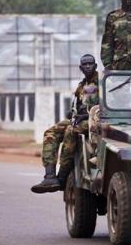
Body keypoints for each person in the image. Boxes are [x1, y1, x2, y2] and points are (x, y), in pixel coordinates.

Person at [31, 54, 98, 194]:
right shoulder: (82, 85)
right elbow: (78, 105)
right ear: (80, 67)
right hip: (78, 119)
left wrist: (87, 114)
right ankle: (50, 176)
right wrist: (73, 112)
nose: (87, 66)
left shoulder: (103, 82)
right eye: (84, 64)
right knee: (50, 132)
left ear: (95, 66)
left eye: (90, 64)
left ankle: (62, 177)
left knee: (70, 131)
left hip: (95, 120)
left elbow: (109, 104)